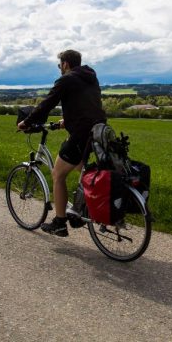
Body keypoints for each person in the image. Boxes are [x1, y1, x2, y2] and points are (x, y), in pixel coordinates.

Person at [17, 49, 106, 237]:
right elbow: (86, 103)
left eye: (60, 65)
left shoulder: (66, 79)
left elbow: (47, 104)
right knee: (80, 167)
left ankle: (59, 222)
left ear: (65, 64)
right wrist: (67, 120)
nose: (60, 68)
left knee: (58, 174)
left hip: (81, 133)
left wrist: (27, 122)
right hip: (98, 131)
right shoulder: (91, 77)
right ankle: (84, 206)